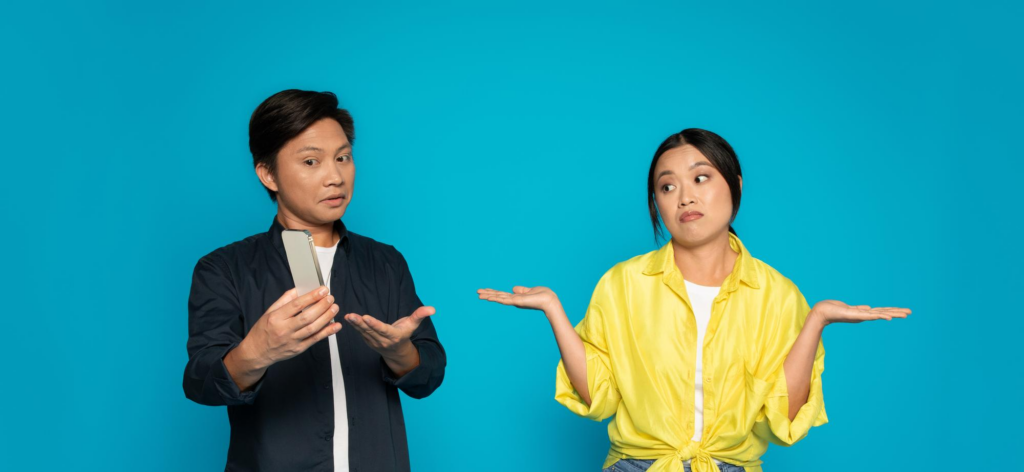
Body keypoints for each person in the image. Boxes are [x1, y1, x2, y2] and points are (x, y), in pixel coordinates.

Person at [478, 128, 910, 472]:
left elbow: (781, 421)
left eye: (701, 178)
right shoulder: (623, 283)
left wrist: (816, 322)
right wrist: (554, 312)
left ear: (735, 185)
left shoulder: (777, 295)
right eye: (667, 187)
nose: (685, 196)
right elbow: (599, 397)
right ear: (657, 204)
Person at [184, 89, 446, 472]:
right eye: (311, 161)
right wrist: (258, 351)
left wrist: (398, 352)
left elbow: (429, 376)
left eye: (343, 157)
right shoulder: (224, 268)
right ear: (268, 174)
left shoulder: (385, 262)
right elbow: (200, 383)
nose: (335, 177)